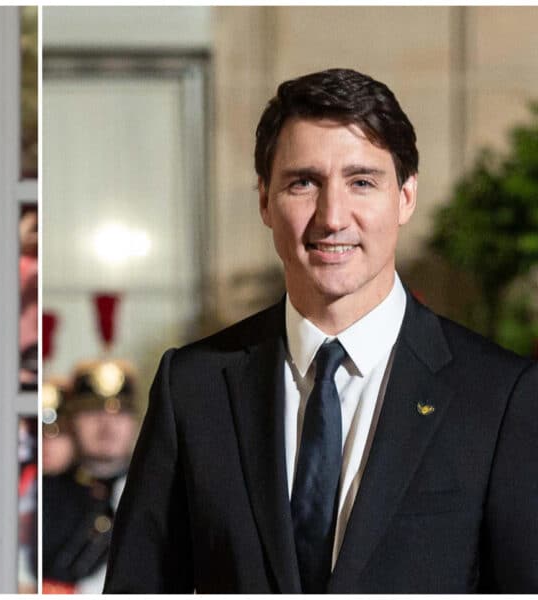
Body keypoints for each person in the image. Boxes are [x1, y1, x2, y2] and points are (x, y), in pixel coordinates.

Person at [104, 68, 538, 593]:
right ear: (265, 200)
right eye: (303, 182)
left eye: (361, 182)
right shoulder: (193, 387)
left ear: (405, 196)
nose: (332, 217)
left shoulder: (498, 396)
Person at [43, 359, 139, 594]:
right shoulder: (45, 492)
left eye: (120, 412)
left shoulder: (155, 495)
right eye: (93, 411)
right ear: (72, 420)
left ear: (135, 422)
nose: (107, 425)